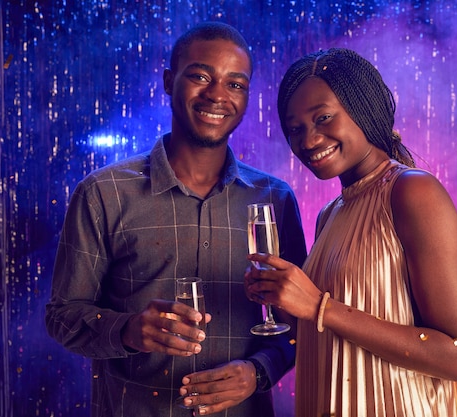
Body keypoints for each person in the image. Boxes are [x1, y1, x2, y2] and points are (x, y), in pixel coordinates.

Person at [45, 22, 306, 417]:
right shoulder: (104, 193)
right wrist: (130, 330)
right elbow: (62, 317)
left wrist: (258, 372)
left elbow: (300, 326)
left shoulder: (275, 199)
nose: (217, 94)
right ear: (169, 82)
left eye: (235, 84)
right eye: (201, 76)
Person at [245, 48, 457, 416]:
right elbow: (333, 329)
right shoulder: (330, 214)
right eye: (295, 129)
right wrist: (286, 303)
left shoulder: (412, 192)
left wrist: (318, 306)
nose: (308, 141)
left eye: (323, 118)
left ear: (363, 107)